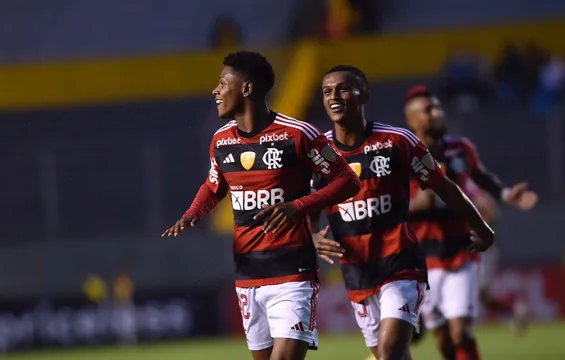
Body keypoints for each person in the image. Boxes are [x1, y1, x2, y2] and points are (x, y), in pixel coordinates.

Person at [162, 52, 361, 360]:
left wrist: (298, 207)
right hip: (248, 275)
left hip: (293, 273)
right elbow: (214, 186)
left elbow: (348, 181)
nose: (215, 91)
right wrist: (193, 213)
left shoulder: (298, 134)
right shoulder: (221, 140)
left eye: (222, 83)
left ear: (247, 88)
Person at [310, 66, 494, 360]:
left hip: (401, 265)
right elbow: (309, 202)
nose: (335, 96)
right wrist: (312, 235)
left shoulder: (397, 141)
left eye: (343, 88)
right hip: (357, 273)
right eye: (327, 91)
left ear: (364, 94)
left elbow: (445, 188)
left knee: (390, 352)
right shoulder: (319, 151)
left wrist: (482, 228)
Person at [404, 85, 538, 360]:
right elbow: (390, 205)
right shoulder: (401, 155)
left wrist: (503, 193)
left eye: (438, 107)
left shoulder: (460, 148)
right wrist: (418, 205)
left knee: (461, 331)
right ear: (412, 120)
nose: (438, 113)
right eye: (428, 110)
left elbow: (480, 175)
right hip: (423, 259)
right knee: (442, 337)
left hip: (462, 252)